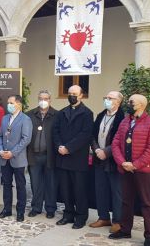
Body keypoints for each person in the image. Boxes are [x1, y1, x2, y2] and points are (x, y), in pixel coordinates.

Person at [109, 94, 150, 246]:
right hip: (126, 169)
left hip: (142, 170)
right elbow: (115, 143)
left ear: (140, 105)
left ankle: (149, 235)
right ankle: (125, 230)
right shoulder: (125, 121)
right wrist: (122, 162)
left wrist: (136, 164)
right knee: (126, 201)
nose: (128, 104)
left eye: (131, 102)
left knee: (146, 203)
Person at [53, 85, 94, 229]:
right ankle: (68, 214)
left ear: (81, 95)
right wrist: (59, 146)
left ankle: (81, 217)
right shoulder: (62, 112)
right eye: (69, 93)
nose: (71, 96)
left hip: (77, 158)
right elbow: (55, 131)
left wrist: (69, 148)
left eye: (74, 94)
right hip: (62, 158)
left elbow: (85, 135)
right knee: (65, 189)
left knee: (79, 190)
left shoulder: (87, 113)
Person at [89, 91, 125, 233]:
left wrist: (106, 152)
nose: (107, 100)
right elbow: (92, 135)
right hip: (99, 158)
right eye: (106, 98)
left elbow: (121, 139)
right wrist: (97, 150)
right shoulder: (100, 115)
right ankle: (103, 217)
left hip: (114, 160)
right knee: (100, 190)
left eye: (110, 98)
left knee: (117, 192)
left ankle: (118, 220)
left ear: (118, 102)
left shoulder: (123, 118)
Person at [0, 95, 32, 222]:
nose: (9, 105)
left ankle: (20, 211)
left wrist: (12, 152)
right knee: (6, 184)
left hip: (17, 158)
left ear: (18, 104)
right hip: (4, 158)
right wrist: (0, 150)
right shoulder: (5, 118)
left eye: (11, 103)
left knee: (20, 185)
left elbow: (26, 139)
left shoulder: (25, 119)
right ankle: (7, 209)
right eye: (8, 102)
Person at [26, 90, 58, 219]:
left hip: (50, 155)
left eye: (46, 98)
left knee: (51, 183)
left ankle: (50, 208)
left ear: (50, 100)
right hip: (34, 155)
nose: (43, 101)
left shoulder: (57, 115)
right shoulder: (30, 115)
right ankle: (36, 207)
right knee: (35, 183)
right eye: (41, 98)